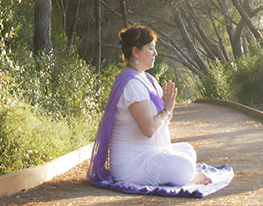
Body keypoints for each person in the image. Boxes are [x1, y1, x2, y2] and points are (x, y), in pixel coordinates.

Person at [87, 24, 212, 188]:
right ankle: (190, 176)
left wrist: (168, 108)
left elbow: (165, 119)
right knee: (185, 166)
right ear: (136, 52)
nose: (156, 53)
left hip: (149, 152)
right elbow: (149, 129)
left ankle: (188, 176)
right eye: (151, 48)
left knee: (188, 150)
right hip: (132, 163)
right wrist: (166, 109)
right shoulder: (132, 84)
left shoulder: (148, 79)